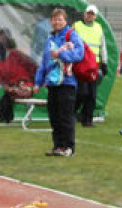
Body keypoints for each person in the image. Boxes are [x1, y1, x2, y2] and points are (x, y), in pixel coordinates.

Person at [32, 8, 84, 157]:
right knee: (54, 116)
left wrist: (61, 53)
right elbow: (44, 62)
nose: (57, 22)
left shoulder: (71, 35)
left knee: (65, 116)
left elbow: (79, 54)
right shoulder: (49, 40)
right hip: (52, 83)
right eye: (54, 20)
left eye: (60, 19)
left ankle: (68, 147)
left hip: (67, 82)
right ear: (51, 22)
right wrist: (38, 81)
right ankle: (58, 146)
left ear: (65, 21)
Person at [72, 5, 107, 128]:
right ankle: (72, 113)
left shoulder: (99, 27)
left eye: (92, 14)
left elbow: (102, 46)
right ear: (84, 14)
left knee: (92, 94)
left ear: (96, 16)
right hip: (81, 64)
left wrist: (105, 62)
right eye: (88, 13)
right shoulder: (77, 26)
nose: (90, 16)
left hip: (94, 65)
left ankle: (87, 119)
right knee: (82, 93)